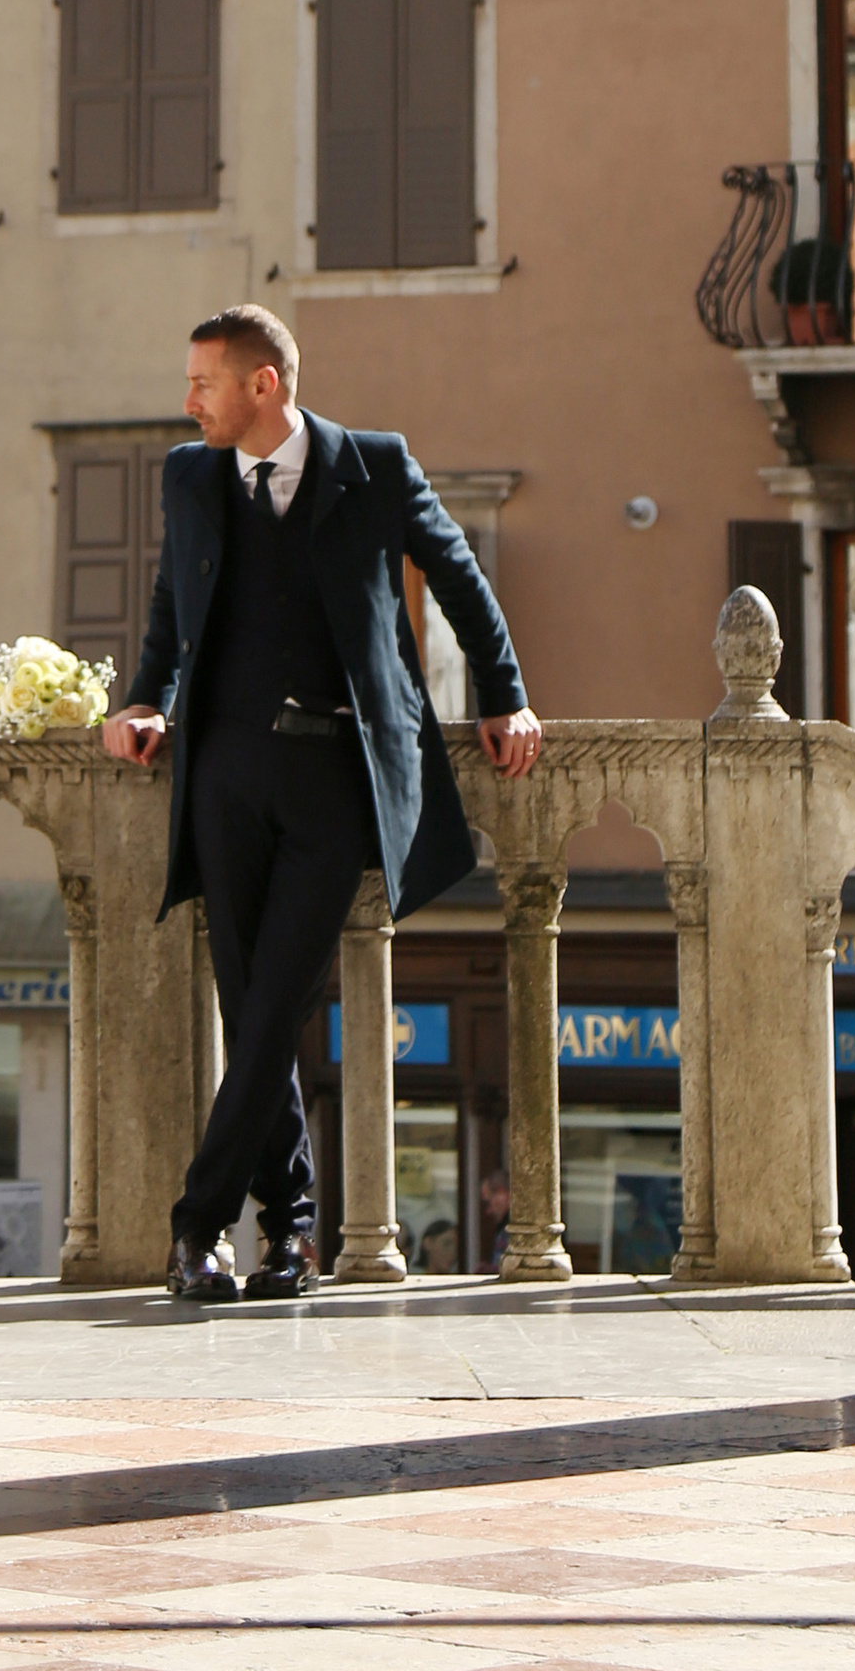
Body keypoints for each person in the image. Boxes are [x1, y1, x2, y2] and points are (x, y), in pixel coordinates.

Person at [100, 304, 540, 1305]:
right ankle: (289, 1237)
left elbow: (461, 582)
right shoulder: (192, 475)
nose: (188, 401)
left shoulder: (373, 467)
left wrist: (505, 697)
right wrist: (142, 697)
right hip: (221, 775)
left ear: (264, 385)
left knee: (277, 1003)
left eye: (202, 383)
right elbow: (175, 607)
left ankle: (198, 1225)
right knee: (254, 1011)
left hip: (335, 776)